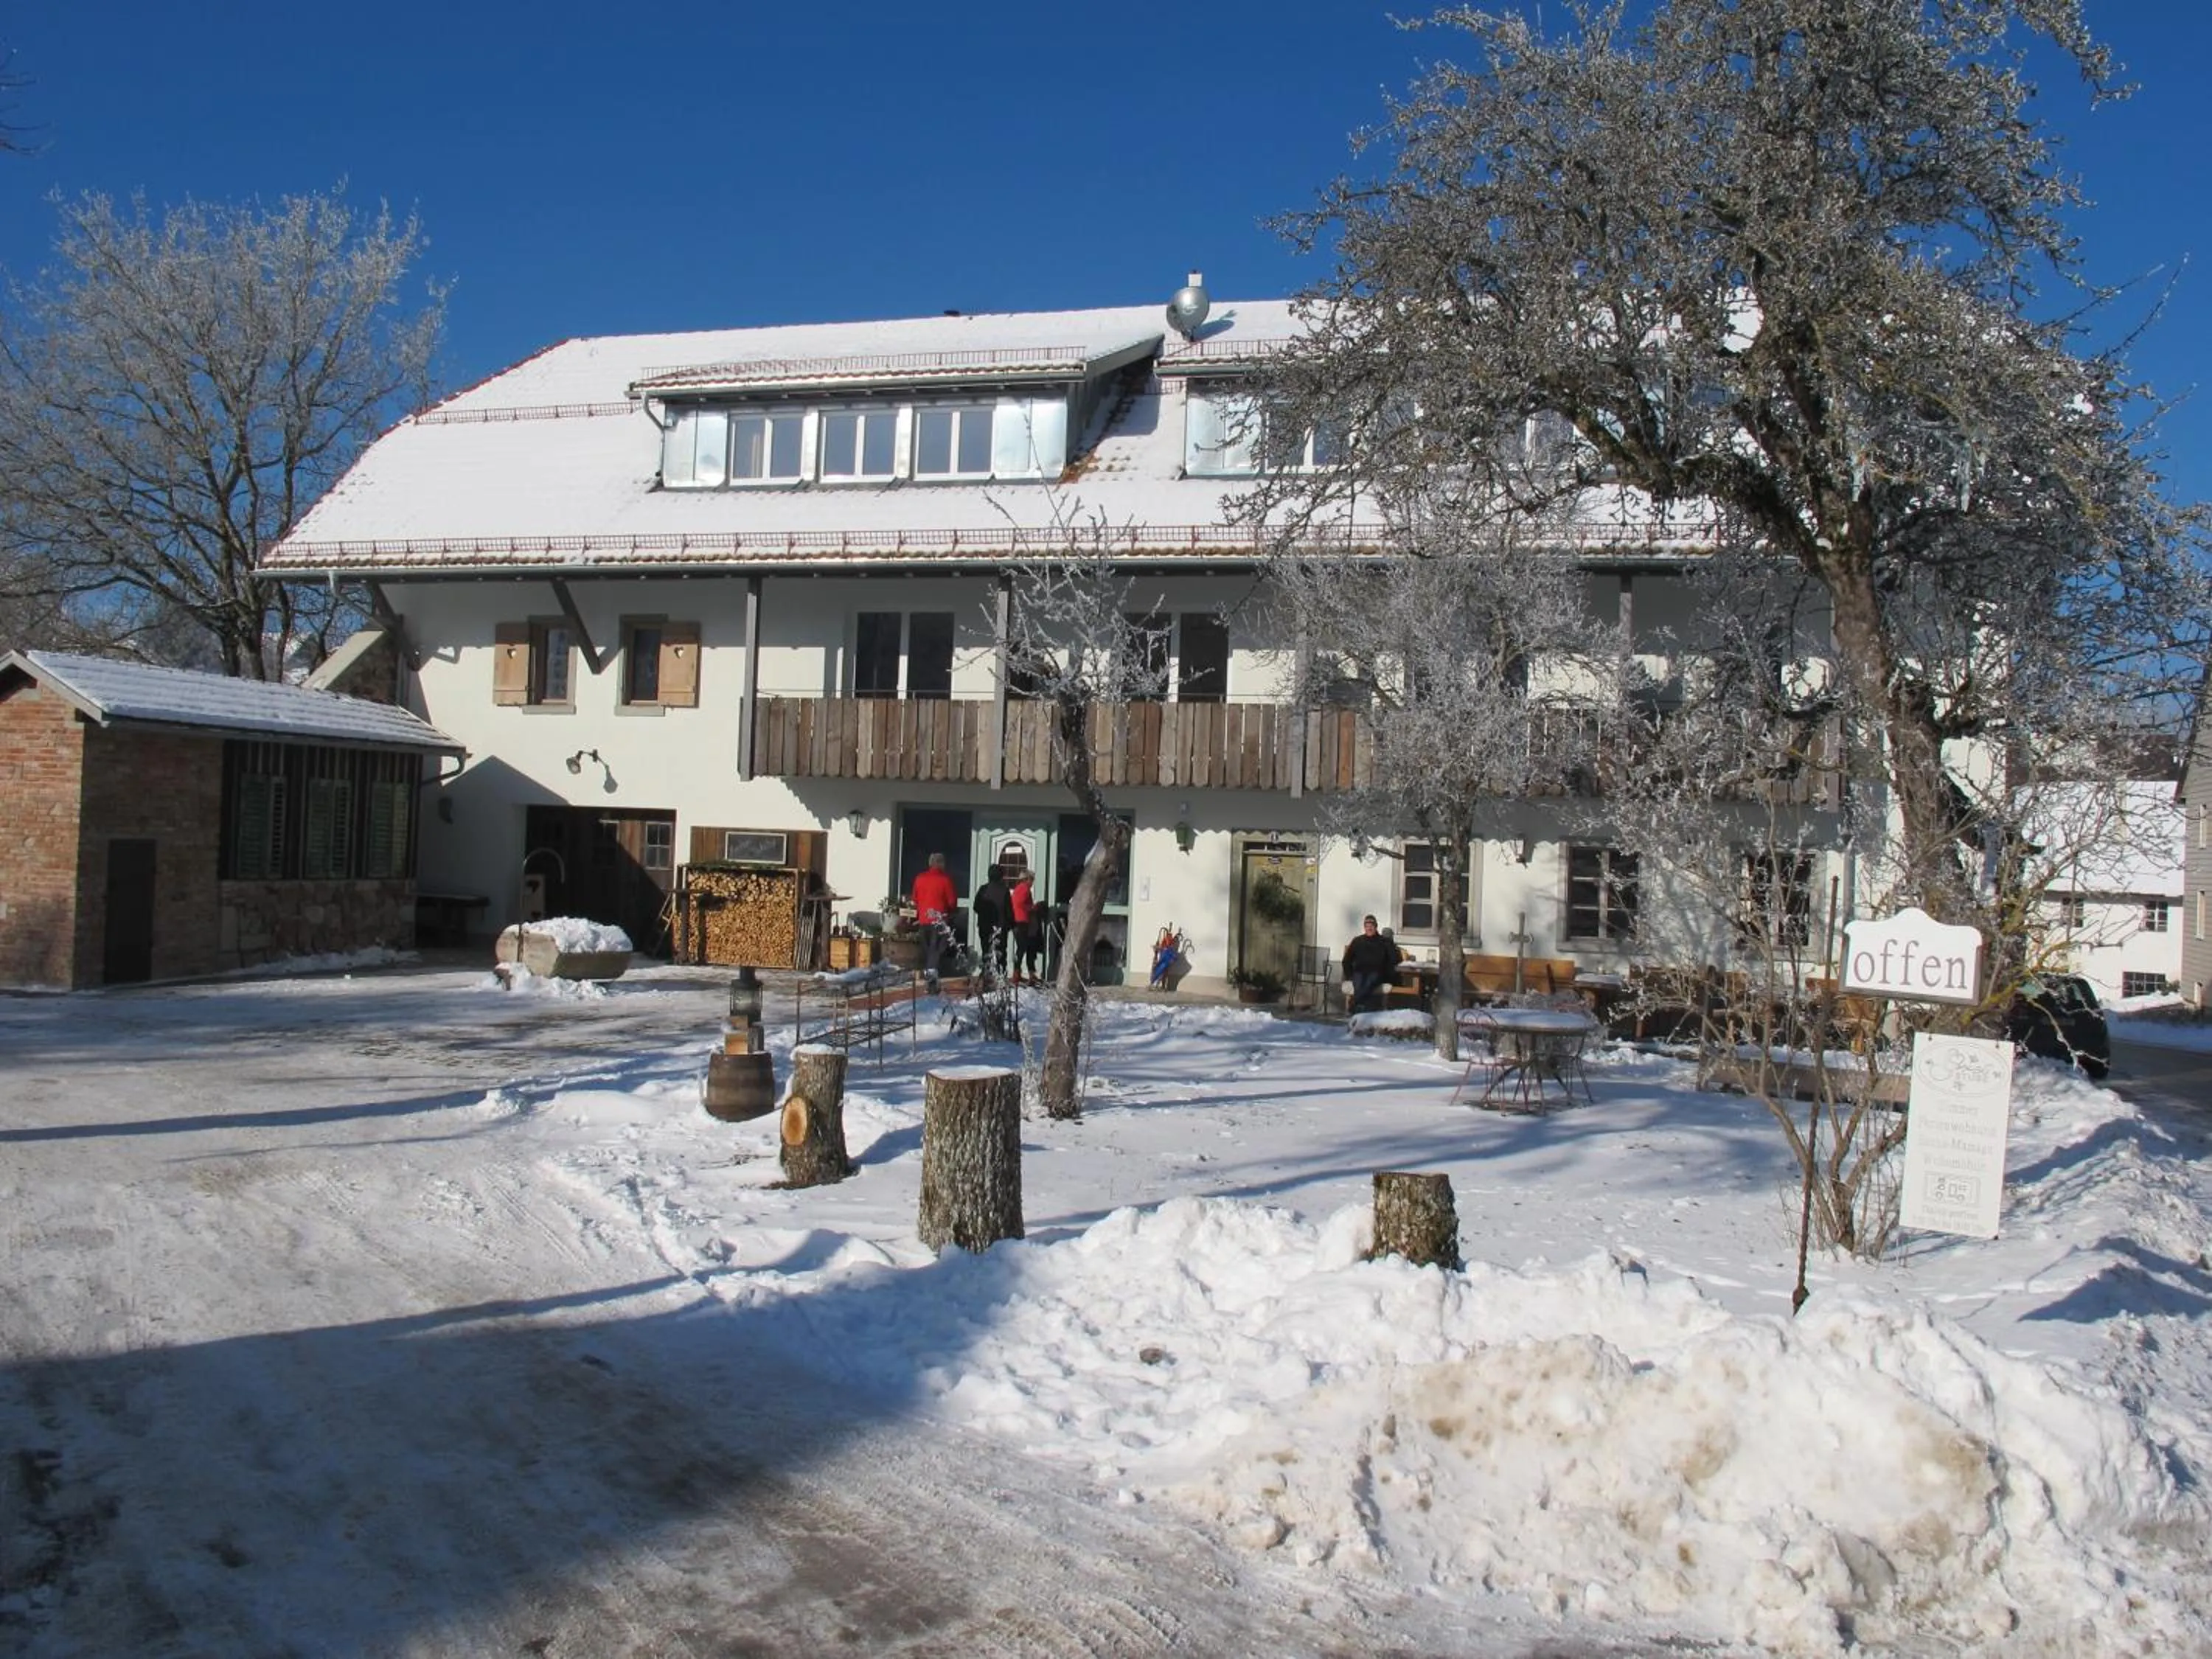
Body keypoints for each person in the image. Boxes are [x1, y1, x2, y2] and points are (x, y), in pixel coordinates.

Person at [910, 852, 959, 986]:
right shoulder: (945, 880)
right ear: (941, 864)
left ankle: (929, 972)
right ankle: (931, 977)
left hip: (924, 919)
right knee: (937, 948)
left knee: (928, 948)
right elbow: (952, 902)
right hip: (939, 919)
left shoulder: (920, 878)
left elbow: (915, 898)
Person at [1342, 914, 1402, 1012]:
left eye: (1371, 926)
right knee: (1358, 981)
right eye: (1367, 926)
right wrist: (1349, 975)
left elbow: (1394, 959)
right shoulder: (1358, 941)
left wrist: (1388, 974)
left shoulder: (1384, 942)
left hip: (1376, 973)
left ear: (1376, 927)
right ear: (1364, 927)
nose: (1369, 928)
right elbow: (1347, 960)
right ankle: (1360, 1005)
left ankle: (1355, 1005)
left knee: (1370, 981)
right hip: (1359, 972)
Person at [972, 862, 1012, 979]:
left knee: (986, 951)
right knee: (1001, 952)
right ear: (1001, 876)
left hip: (985, 926)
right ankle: (1002, 974)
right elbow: (1009, 910)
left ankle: (986, 973)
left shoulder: (983, 889)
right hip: (1000, 927)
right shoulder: (1004, 890)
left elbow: (976, 907)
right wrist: (1010, 925)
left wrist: (984, 914)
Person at [1009, 869, 1043, 984]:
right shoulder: (1024, 888)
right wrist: (1032, 908)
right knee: (1023, 948)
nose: (1033, 882)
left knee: (1024, 947)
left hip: (1017, 921)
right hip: (1022, 921)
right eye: (1032, 879)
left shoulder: (1018, 888)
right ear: (1027, 879)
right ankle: (1017, 974)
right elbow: (1019, 903)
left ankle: (1022, 973)